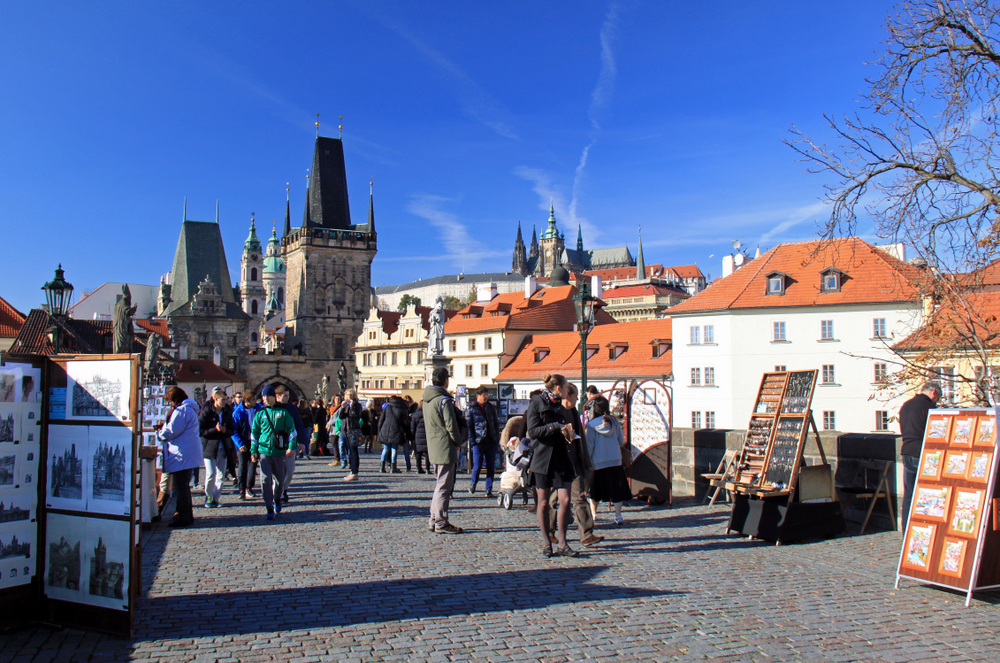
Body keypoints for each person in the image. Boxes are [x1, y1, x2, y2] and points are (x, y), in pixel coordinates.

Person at [527, 374, 578, 557]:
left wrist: (569, 435)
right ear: (558, 388)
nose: (568, 391)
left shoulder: (564, 406)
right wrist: (555, 427)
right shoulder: (537, 402)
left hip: (561, 457)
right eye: (566, 388)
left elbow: (567, 428)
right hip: (542, 458)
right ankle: (547, 542)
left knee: (564, 500)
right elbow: (532, 431)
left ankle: (563, 543)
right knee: (543, 502)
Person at [547, 383, 602, 547]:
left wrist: (585, 462)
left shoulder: (572, 411)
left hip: (574, 462)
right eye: (575, 396)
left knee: (579, 497)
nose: (578, 399)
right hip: (558, 463)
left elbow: (581, 440)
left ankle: (586, 534)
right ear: (566, 395)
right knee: (553, 499)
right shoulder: (555, 412)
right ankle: (549, 531)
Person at [423, 367, 464, 534]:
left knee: (439, 484)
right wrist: (458, 442)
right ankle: (441, 521)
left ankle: (434, 519)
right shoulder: (443, 400)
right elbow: (451, 425)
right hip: (445, 446)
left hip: (433, 446)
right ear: (446, 380)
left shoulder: (427, 399)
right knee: (444, 486)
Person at [155, 387, 202, 527]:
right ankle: (186, 515)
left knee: (181, 487)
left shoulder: (182, 410)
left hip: (182, 453)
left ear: (175, 399)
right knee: (183, 486)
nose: (170, 404)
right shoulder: (189, 408)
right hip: (187, 452)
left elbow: (171, 431)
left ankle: (184, 517)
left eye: (170, 401)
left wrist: (160, 432)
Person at [898, 381, 942, 526]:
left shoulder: (906, 405)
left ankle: (906, 532)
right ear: (933, 392)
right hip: (922, 452)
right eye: (937, 398)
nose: (936, 401)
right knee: (928, 494)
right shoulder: (929, 407)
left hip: (907, 451)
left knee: (909, 495)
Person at [250, 384, 297, 520]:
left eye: (267, 396)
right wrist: (254, 450)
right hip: (264, 451)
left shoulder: (283, 412)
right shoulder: (259, 414)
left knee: (280, 480)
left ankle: (277, 498)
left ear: (274, 397)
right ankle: (269, 506)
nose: (265, 399)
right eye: (263, 397)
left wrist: (291, 446)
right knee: (265, 479)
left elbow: (292, 431)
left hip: (279, 451)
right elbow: (254, 433)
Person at [585, 396, 631, 526]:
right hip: (615, 460)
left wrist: (587, 462)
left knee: (596, 490)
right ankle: (618, 516)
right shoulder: (615, 422)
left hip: (598, 461)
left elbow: (590, 446)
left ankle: (594, 514)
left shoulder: (592, 425)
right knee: (617, 490)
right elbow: (621, 441)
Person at [199, 389, 235, 508]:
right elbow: (201, 431)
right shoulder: (207, 413)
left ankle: (215, 498)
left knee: (220, 475)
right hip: (209, 447)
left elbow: (232, 430)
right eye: (222, 399)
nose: (225, 402)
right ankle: (208, 496)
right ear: (215, 399)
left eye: (226, 399)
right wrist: (215, 429)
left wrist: (225, 431)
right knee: (211, 474)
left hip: (223, 447)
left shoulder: (226, 413)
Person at [466, 386, 501, 497]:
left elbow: (495, 423)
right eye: (483, 395)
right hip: (478, 441)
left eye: (487, 395)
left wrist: (496, 438)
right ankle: (473, 483)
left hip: (491, 441)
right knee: (477, 465)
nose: (486, 397)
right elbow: (470, 427)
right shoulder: (472, 409)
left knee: (491, 466)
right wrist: (473, 442)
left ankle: (489, 489)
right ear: (477, 396)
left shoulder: (491, 407)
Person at [275, 387, 307, 502]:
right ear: (277, 397)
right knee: (277, 470)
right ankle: (278, 492)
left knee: (289, 470)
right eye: (285, 396)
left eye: (288, 395)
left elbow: (299, 424)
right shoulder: (272, 408)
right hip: (275, 444)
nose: (287, 398)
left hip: (290, 443)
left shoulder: (292, 408)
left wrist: (302, 441)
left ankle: (284, 488)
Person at [231, 389, 261, 500]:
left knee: (252, 465)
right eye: (253, 400)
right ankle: (241, 489)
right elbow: (234, 431)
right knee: (242, 466)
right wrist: (239, 444)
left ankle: (249, 487)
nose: (255, 401)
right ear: (246, 401)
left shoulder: (259, 409)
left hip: (254, 441)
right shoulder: (238, 412)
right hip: (243, 442)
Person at [378, 395, 410, 473]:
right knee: (394, 449)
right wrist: (408, 433)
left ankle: (382, 467)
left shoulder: (387, 408)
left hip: (385, 430)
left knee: (385, 448)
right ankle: (393, 467)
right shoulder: (402, 409)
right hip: (396, 430)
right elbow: (406, 423)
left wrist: (379, 431)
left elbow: (381, 420)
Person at [337, 389, 364, 481]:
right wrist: (343, 407)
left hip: (353, 431)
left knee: (353, 452)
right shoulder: (346, 406)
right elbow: (341, 417)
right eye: (348, 395)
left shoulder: (357, 405)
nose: (349, 397)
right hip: (346, 431)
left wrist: (352, 407)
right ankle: (352, 470)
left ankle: (355, 472)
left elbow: (356, 416)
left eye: (351, 395)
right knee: (349, 452)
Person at [411, 405, 429, 474]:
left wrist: (412, 437)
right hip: (427, 435)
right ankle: (427, 468)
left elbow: (412, 427)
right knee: (427, 453)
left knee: (418, 453)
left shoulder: (415, 415)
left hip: (417, 436)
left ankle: (419, 468)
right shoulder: (428, 414)